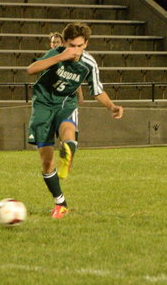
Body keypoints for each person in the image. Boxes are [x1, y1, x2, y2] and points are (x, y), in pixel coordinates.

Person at [26, 22, 124, 219]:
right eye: (71, 45)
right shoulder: (56, 53)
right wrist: (59, 57)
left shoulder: (89, 64)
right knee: (46, 161)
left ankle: (68, 148)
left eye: (79, 46)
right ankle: (60, 203)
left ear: (86, 44)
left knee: (68, 128)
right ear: (64, 43)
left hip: (66, 102)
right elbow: (31, 70)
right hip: (43, 103)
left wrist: (111, 106)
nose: (75, 50)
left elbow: (97, 90)